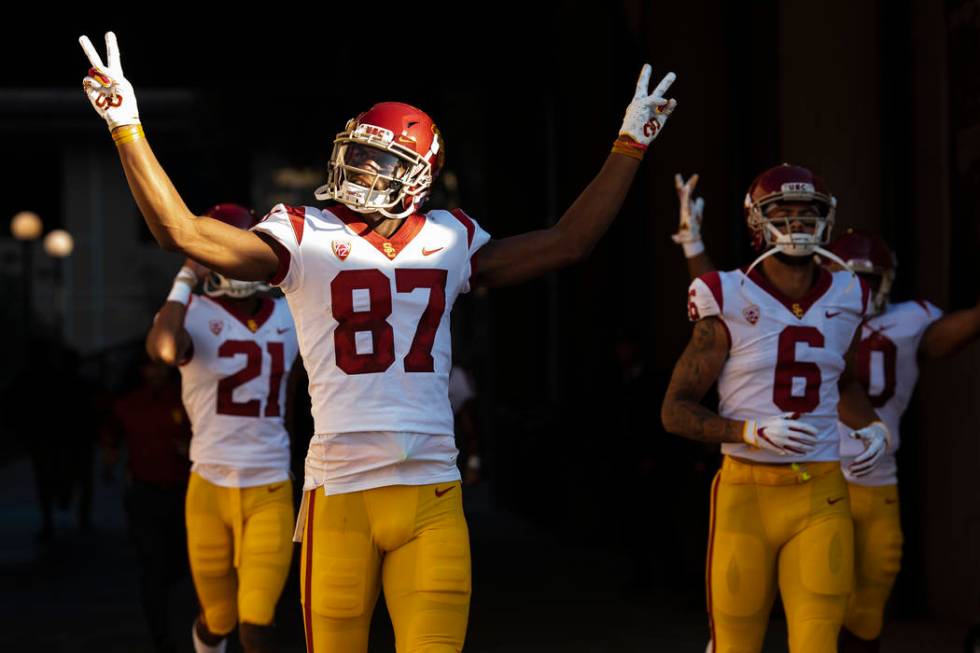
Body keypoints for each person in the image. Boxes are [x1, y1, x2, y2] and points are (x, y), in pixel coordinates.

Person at [79, 31, 677, 652]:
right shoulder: (302, 232)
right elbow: (182, 233)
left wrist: (630, 144)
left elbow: (567, 242)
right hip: (339, 491)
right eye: (359, 153)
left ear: (418, 177)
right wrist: (128, 127)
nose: (363, 168)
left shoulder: (451, 238)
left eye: (381, 161)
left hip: (431, 491)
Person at [661, 163, 889, 653]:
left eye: (808, 214)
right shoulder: (726, 293)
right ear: (757, 223)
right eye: (782, 213)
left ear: (826, 221)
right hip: (747, 490)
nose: (798, 224)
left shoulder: (849, 293)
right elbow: (674, 410)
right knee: (736, 644)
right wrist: (746, 431)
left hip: (822, 491)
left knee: (817, 643)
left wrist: (870, 425)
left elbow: (841, 378)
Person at [145, 204, 301, 653]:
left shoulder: (289, 314)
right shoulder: (191, 311)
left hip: (269, 483)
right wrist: (184, 277)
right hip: (209, 485)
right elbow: (164, 348)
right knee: (219, 619)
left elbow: (292, 398)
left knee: (257, 621)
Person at [826, 231, 980, 653]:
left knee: (871, 600)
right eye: (850, 278)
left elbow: (950, 334)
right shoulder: (810, 317)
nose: (861, 289)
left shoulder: (912, 320)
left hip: (879, 479)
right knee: (820, 596)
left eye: (870, 279)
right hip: (821, 478)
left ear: (888, 280)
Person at [102, 355, 192, 653]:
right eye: (149, 366)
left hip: (182, 493)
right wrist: (110, 462)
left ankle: (166, 606)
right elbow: (111, 439)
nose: (155, 372)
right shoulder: (128, 404)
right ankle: (159, 634)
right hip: (144, 495)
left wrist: (191, 449)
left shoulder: (186, 400)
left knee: (181, 560)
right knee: (151, 563)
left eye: (159, 367)